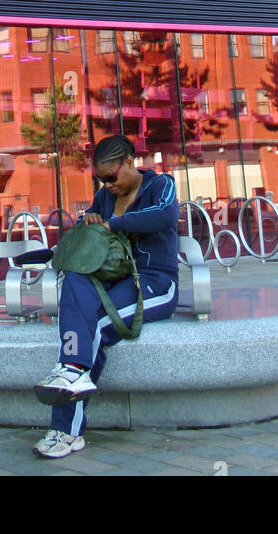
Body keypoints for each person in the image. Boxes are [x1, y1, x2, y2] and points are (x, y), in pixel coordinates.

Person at [32, 134, 179, 459]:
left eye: (112, 177)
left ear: (129, 162)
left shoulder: (160, 185)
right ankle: (72, 370)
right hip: (112, 278)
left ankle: (65, 429)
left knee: (95, 326)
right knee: (73, 280)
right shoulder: (104, 197)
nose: (108, 185)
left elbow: (165, 216)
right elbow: (92, 232)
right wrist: (91, 220)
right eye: (102, 179)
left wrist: (115, 223)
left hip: (153, 284)